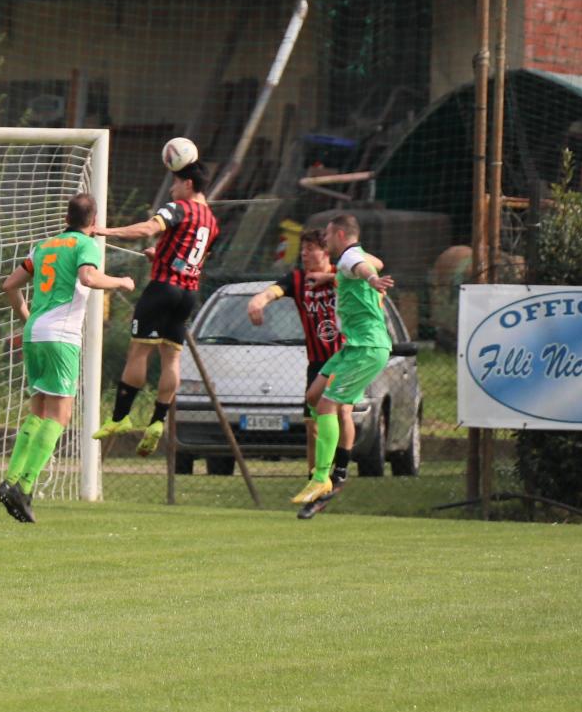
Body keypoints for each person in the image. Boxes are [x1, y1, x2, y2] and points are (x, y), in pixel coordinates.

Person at [0, 194, 134, 523]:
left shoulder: (44, 246)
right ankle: (24, 487)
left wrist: (28, 318)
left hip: (34, 335)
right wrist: (121, 282)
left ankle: (10, 480)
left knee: (39, 411)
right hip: (61, 337)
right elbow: (88, 278)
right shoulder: (86, 245)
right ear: (93, 220)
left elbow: (10, 285)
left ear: (66, 217)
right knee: (60, 414)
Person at [90, 161, 219, 457]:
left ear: (188, 184)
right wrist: (161, 253)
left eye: (175, 182)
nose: (172, 189)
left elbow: (148, 228)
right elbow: (197, 256)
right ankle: (158, 421)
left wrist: (104, 230)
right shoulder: (212, 221)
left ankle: (120, 417)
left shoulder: (179, 208)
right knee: (171, 358)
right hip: (188, 294)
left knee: (139, 352)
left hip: (163, 290)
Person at [292, 214, 395, 508]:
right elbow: (374, 262)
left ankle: (322, 477)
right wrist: (334, 277)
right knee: (314, 396)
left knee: (328, 406)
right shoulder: (354, 256)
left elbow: (363, 267)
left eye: (327, 235)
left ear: (339, 234)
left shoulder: (350, 257)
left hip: (367, 347)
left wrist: (371, 279)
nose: (324, 240)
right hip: (352, 347)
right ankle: (330, 471)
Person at [245, 229, 351, 481]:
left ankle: (340, 470)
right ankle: (314, 478)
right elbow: (274, 290)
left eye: (310, 249)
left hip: (344, 358)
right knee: (312, 425)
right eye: (302, 249)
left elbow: (366, 280)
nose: (304, 254)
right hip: (316, 362)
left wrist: (329, 278)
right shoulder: (297, 279)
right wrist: (258, 301)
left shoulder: (342, 274)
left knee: (341, 413)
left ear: (325, 252)